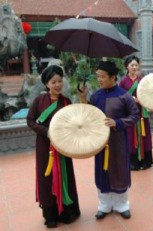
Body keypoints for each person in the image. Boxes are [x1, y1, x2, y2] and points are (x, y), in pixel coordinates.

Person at [80, 61, 139, 219]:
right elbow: (88, 116)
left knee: (119, 169)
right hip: (100, 142)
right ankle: (104, 205)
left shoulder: (124, 96)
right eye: (98, 76)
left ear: (113, 77)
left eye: (103, 77)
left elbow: (135, 115)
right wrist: (83, 99)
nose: (99, 80)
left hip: (118, 140)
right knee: (102, 171)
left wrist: (118, 123)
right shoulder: (96, 96)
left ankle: (122, 205)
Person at [27, 65, 80, 228]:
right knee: (47, 177)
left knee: (64, 175)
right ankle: (50, 215)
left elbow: (75, 122)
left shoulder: (66, 101)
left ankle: (66, 211)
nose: (57, 85)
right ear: (46, 84)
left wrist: (83, 97)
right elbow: (30, 121)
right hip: (45, 145)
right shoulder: (39, 101)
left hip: (63, 146)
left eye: (59, 81)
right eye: (53, 82)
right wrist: (47, 132)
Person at [119, 55, 153, 170]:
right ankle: (133, 163)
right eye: (132, 65)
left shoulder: (142, 80)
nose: (134, 67)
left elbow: (147, 94)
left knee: (144, 135)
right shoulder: (123, 82)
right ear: (127, 66)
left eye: (136, 65)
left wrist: (140, 100)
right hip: (129, 113)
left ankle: (145, 161)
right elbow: (120, 97)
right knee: (130, 135)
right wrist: (130, 100)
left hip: (141, 112)